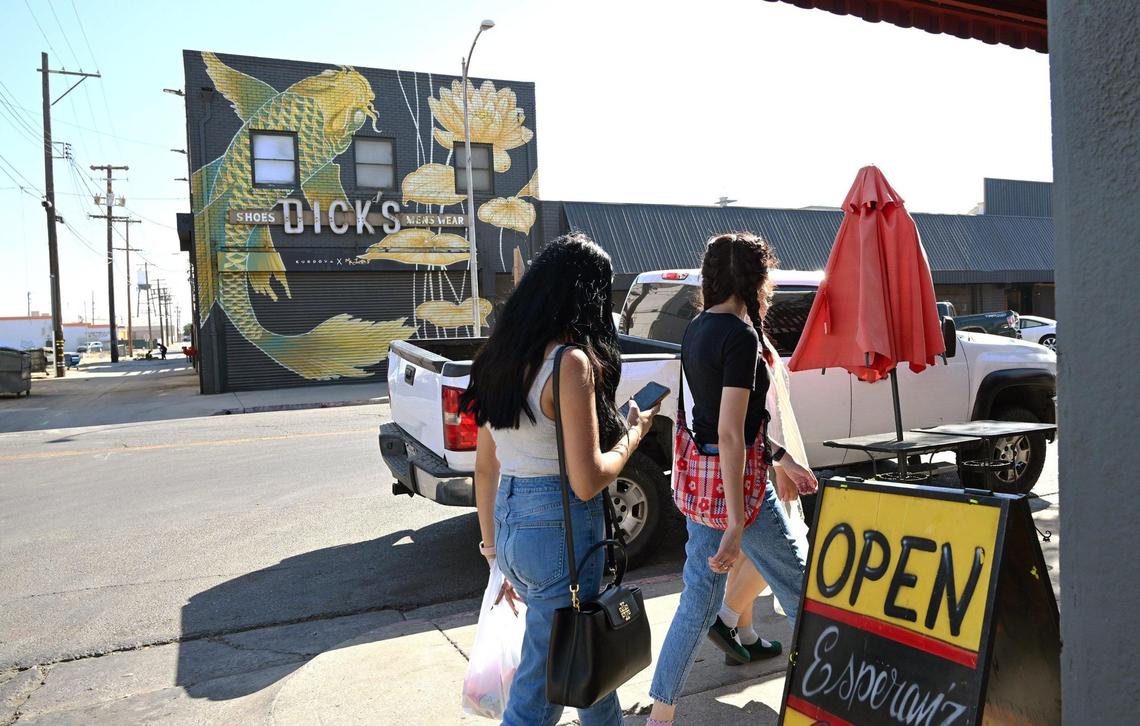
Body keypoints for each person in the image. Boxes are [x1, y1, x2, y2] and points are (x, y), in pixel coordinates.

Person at [464, 233, 658, 726]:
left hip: (511, 529)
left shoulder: (496, 358)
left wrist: (494, 556)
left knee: (584, 655)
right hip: (558, 536)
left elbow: (486, 467)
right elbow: (588, 480)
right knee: (538, 691)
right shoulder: (569, 363)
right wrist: (634, 435)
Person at [647, 232, 809, 725]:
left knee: (697, 600)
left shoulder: (696, 328)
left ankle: (660, 714)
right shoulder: (740, 336)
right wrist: (738, 521)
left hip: (702, 488)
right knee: (800, 587)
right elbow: (731, 431)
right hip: (739, 492)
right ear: (759, 281)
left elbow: (710, 421)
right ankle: (836, 691)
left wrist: (781, 458)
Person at [715, 315, 817, 665]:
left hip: (760, 456)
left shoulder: (733, 332)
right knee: (774, 550)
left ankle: (744, 635)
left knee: (750, 553)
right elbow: (761, 415)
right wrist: (782, 464)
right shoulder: (743, 338)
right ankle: (727, 620)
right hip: (764, 459)